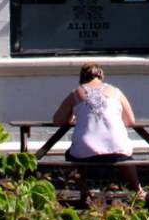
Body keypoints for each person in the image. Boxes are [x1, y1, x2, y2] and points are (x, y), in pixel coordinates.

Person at [51, 64, 141, 201]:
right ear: (101, 76)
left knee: (71, 155)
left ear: (82, 77)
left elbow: (58, 120)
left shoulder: (76, 93)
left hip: (86, 151)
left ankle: (85, 193)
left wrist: (74, 117)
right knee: (125, 156)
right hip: (117, 148)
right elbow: (130, 121)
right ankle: (139, 190)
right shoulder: (116, 92)